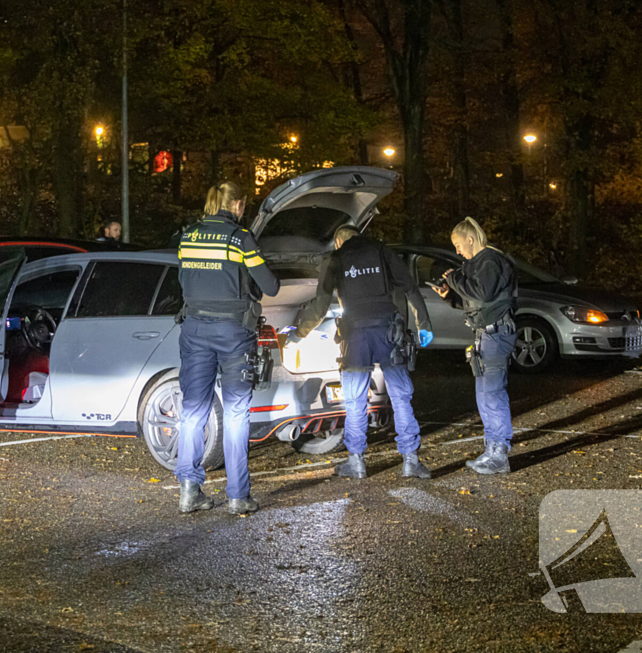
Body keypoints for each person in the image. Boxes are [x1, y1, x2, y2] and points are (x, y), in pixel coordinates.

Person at [287, 225, 434, 480]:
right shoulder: (381, 250)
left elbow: (321, 304)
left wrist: (298, 333)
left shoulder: (336, 258)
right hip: (388, 333)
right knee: (400, 396)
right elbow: (409, 287)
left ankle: (356, 462)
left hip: (354, 336)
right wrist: (424, 325)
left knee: (355, 400)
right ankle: (411, 460)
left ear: (338, 241)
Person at [175, 181, 281, 515]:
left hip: (194, 329)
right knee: (236, 413)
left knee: (193, 411)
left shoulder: (188, 236)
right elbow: (271, 286)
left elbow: (184, 280)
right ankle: (237, 496)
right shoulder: (240, 238)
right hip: (233, 332)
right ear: (237, 204)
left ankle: (189, 491)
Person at [431, 217, 518, 475]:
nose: (458, 251)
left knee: (492, 394)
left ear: (470, 239)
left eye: (458, 245)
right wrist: (450, 297)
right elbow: (476, 302)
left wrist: (455, 278)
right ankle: (492, 451)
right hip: (486, 333)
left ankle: (499, 454)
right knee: (484, 395)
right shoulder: (480, 263)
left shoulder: (490, 260)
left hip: (496, 334)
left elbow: (483, 293)